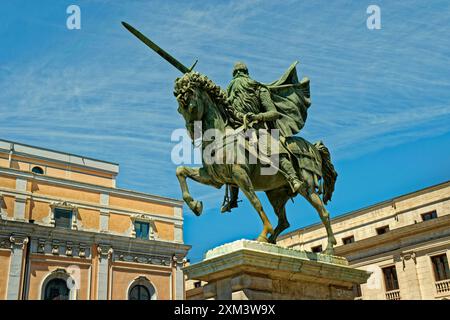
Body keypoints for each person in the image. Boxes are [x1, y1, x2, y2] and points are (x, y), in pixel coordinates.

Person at [221, 62, 307, 212]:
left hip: (259, 128)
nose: (238, 78)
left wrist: (257, 117)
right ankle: (233, 199)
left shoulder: (259, 89)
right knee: (230, 157)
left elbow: (274, 113)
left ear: (246, 74)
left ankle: (293, 178)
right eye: (236, 74)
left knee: (272, 147)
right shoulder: (229, 93)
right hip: (240, 131)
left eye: (240, 73)